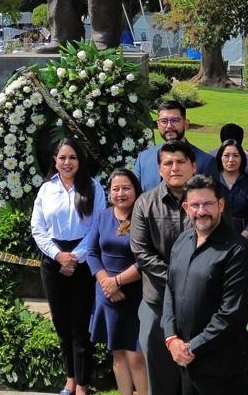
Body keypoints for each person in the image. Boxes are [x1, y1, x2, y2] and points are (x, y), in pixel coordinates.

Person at [161, 175, 248, 395]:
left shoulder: (237, 251)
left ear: (221, 205)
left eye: (207, 204)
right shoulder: (182, 242)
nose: (201, 211)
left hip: (221, 369)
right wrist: (171, 338)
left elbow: (230, 313)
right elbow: (170, 291)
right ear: (186, 208)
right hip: (185, 362)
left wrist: (191, 347)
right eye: (195, 205)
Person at [31, 138, 105, 395]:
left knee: (80, 327)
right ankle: (70, 380)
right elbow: (38, 228)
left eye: (72, 157)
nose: (66, 163)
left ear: (80, 160)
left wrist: (74, 257)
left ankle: (83, 385)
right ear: (55, 160)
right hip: (53, 262)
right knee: (62, 325)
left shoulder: (94, 188)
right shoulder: (46, 190)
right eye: (62, 158)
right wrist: (58, 256)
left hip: (83, 262)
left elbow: (97, 226)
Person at [129, 140, 196, 395]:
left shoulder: (205, 202)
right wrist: (176, 277)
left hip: (197, 302)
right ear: (159, 169)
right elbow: (141, 252)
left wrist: (195, 279)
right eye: (168, 163)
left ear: (193, 166)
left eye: (180, 162)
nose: (174, 168)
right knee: (159, 376)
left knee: (195, 373)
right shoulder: (145, 203)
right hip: (157, 299)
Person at [82, 168, 147, 395]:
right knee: (118, 353)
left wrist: (117, 282)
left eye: (126, 188)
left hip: (135, 294)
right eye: (115, 189)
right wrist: (106, 283)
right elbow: (91, 252)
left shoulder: (143, 217)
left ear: (136, 191)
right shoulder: (103, 216)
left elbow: (146, 259)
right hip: (106, 294)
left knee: (136, 356)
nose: (121, 193)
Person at [133, 100, 213, 191]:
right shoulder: (143, 159)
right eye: (164, 121)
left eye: (174, 120)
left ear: (186, 124)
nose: (169, 126)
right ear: (158, 125)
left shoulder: (205, 162)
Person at [206, 139, 248, 250]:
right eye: (226, 155)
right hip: (215, 240)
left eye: (235, 155)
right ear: (220, 157)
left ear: (241, 158)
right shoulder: (210, 183)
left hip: (245, 242)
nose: (231, 160)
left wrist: (241, 239)